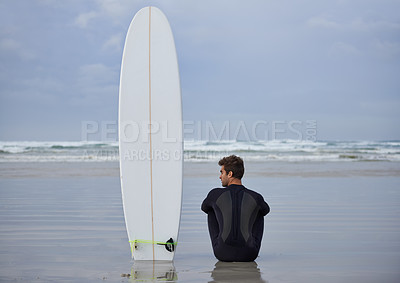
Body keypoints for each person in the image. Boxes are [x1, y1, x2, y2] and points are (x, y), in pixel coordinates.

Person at [201, 155, 270, 262]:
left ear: (230, 174)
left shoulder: (215, 194)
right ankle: (251, 244)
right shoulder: (255, 196)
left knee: (212, 208)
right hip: (249, 254)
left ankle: (220, 243)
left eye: (221, 172)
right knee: (258, 210)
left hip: (222, 253)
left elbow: (204, 208)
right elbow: (266, 210)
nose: (220, 177)